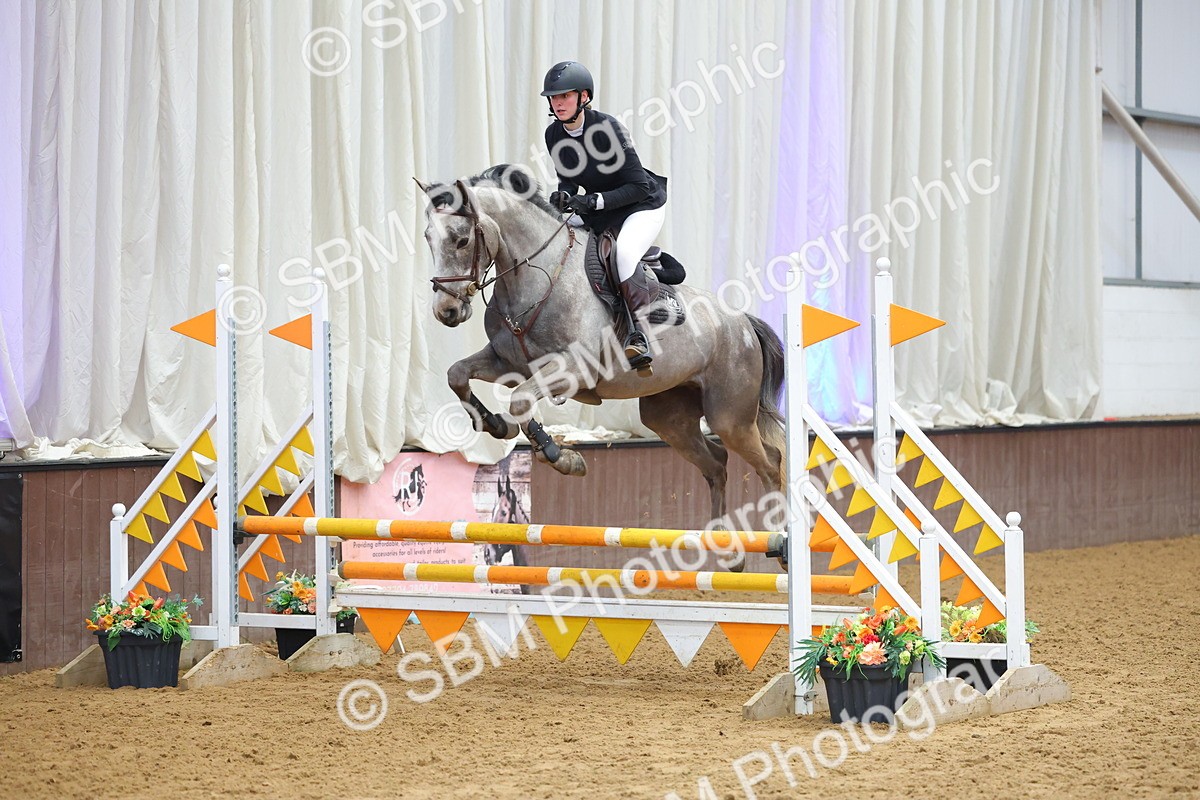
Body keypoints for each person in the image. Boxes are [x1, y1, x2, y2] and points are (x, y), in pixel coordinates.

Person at [541, 60, 667, 372]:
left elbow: (638, 186)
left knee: (623, 253)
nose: (558, 103)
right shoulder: (554, 134)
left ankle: (638, 334)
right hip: (601, 209)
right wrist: (565, 195)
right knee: (551, 235)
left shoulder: (608, 129)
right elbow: (569, 178)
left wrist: (593, 201)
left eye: (565, 96)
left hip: (641, 206)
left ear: (584, 97)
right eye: (554, 98)